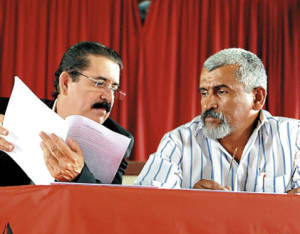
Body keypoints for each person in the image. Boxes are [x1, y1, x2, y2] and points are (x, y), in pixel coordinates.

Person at [135, 48, 300, 194]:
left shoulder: (294, 137)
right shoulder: (178, 142)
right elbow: (144, 204)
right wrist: (186, 203)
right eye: (204, 93)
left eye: (221, 91)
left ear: (257, 97)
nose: (208, 104)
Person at [0, 41, 134, 186]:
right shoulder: (7, 110)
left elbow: (109, 202)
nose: (109, 97)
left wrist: (79, 175)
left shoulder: (118, 140)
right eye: (99, 84)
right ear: (65, 83)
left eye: (113, 88)